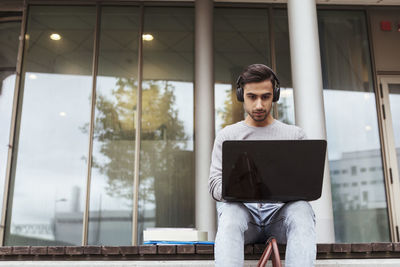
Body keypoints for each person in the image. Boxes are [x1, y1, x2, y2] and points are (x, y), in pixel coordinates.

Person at [208, 64, 316, 267]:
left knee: (302, 209)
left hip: (280, 219)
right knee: (229, 212)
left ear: (274, 96)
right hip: (244, 219)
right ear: (241, 95)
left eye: (265, 97)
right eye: (252, 97)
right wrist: (239, 183)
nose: (259, 105)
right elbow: (214, 186)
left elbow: (307, 187)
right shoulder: (228, 136)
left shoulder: (295, 136)